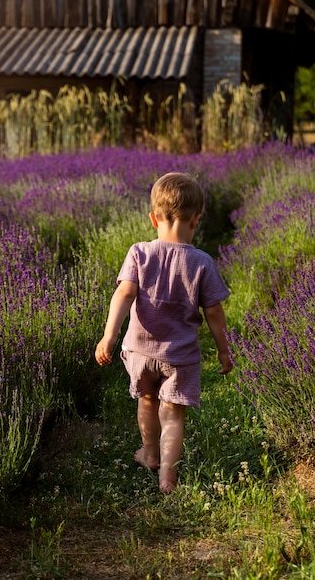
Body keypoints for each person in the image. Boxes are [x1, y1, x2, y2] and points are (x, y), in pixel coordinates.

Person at [95, 171, 232, 494]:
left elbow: (124, 294)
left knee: (146, 400)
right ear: (196, 220)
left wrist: (109, 335)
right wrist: (223, 350)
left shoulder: (139, 252)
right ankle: (167, 478)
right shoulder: (201, 262)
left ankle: (150, 454)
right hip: (180, 357)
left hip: (141, 352)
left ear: (153, 219)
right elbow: (213, 311)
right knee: (173, 415)